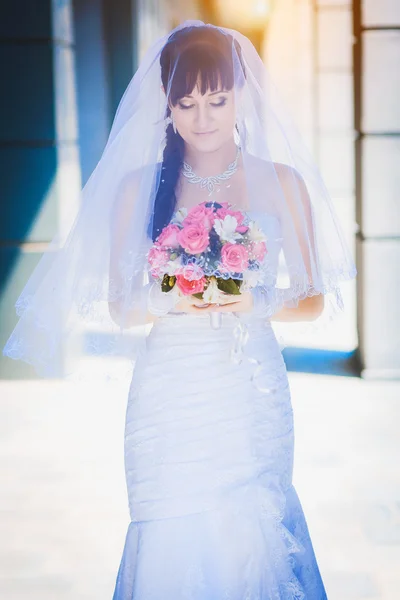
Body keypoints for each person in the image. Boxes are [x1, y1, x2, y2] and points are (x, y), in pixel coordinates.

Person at [3, 20, 357, 600]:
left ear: (242, 93)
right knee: (171, 526)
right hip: (169, 389)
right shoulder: (137, 188)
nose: (203, 117)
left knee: (252, 524)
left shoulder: (283, 183)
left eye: (217, 99)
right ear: (166, 104)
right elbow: (121, 308)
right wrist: (186, 290)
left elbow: (313, 300)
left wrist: (252, 298)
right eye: (186, 102)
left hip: (248, 387)